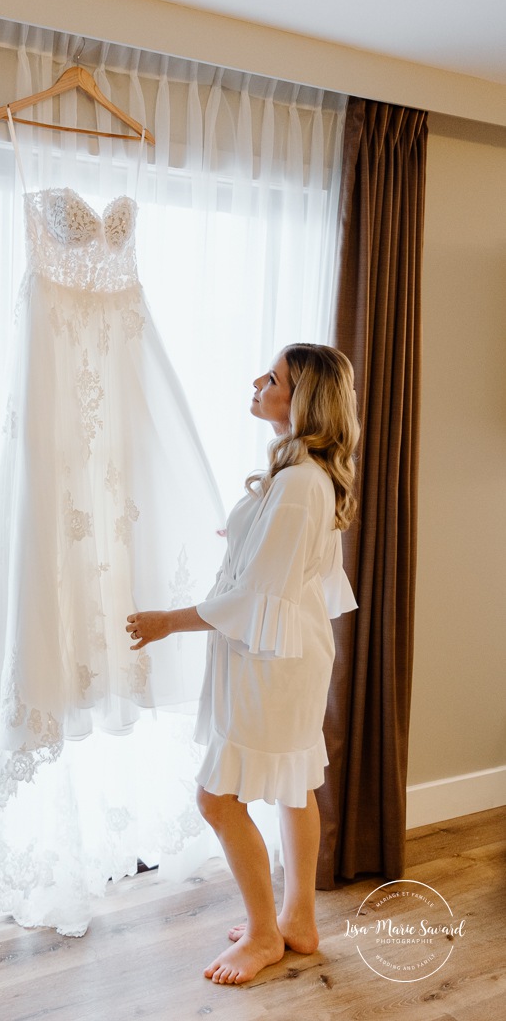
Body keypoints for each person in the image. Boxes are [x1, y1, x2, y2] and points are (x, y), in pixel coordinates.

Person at [125, 343, 360, 985]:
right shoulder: (305, 477)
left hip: (273, 663)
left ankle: (264, 935)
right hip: (288, 654)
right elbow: (301, 579)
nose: (258, 382)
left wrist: (166, 622)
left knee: (216, 797)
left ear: (302, 399)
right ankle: (298, 920)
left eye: (274, 378)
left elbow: (256, 597)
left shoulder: (299, 485)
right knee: (293, 786)